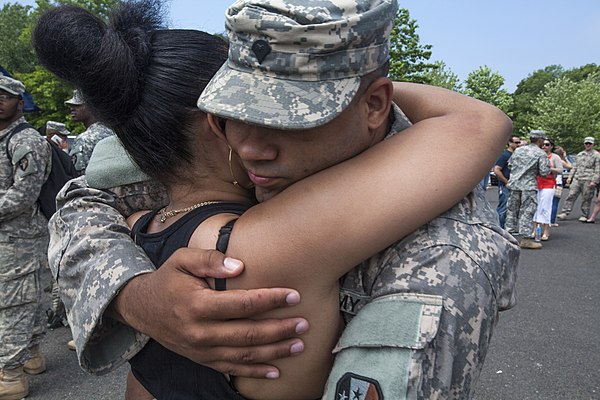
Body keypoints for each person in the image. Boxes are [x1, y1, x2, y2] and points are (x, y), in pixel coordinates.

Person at [35, 0, 518, 399]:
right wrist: (334, 79)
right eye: (233, 112)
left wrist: (340, 79)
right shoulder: (266, 238)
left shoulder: (143, 217)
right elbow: (479, 121)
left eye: (293, 115)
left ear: (374, 104)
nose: (252, 147)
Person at [0, 76, 51, 400]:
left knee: (14, 303)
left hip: (19, 237)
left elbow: (24, 194)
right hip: (9, 235)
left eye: (5, 96)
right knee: (23, 299)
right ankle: (31, 355)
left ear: (20, 103)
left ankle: (10, 375)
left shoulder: (27, 140)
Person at [505, 130, 551, 249]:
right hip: (528, 186)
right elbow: (544, 172)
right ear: (540, 140)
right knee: (527, 211)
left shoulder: (519, 150)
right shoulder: (540, 153)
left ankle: (507, 236)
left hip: (515, 184)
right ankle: (526, 239)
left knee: (512, 209)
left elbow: (510, 165)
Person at [64, 89, 115, 174]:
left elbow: (76, 173)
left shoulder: (85, 139)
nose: (72, 109)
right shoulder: (113, 131)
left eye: (77, 105)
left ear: (92, 107)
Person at [556, 136, 600, 222]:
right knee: (571, 195)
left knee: (586, 198)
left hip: (588, 178)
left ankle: (584, 214)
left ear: (593, 145)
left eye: (590, 144)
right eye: (586, 143)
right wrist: (570, 177)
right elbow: (574, 167)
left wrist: (594, 181)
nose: (588, 145)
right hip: (577, 178)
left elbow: (598, 169)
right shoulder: (580, 154)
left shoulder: (597, 155)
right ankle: (565, 212)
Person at [532, 137, 562, 241]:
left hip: (548, 184)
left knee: (545, 207)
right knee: (535, 206)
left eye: (547, 144)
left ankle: (546, 231)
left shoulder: (554, 157)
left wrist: (548, 168)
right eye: (543, 144)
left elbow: (560, 170)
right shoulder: (537, 155)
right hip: (536, 183)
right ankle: (535, 229)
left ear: (551, 146)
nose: (544, 146)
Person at [494, 135, 521, 228]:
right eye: (516, 142)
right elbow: (497, 170)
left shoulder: (517, 155)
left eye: (519, 142)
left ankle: (508, 228)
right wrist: (506, 182)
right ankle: (499, 228)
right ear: (509, 143)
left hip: (515, 186)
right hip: (505, 186)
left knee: (512, 209)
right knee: (503, 208)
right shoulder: (505, 155)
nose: (518, 144)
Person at [550, 146, 572, 226]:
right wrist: (565, 158)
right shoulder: (560, 161)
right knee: (555, 203)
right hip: (558, 183)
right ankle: (552, 221)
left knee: (547, 202)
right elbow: (570, 166)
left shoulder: (550, 159)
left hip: (549, 182)